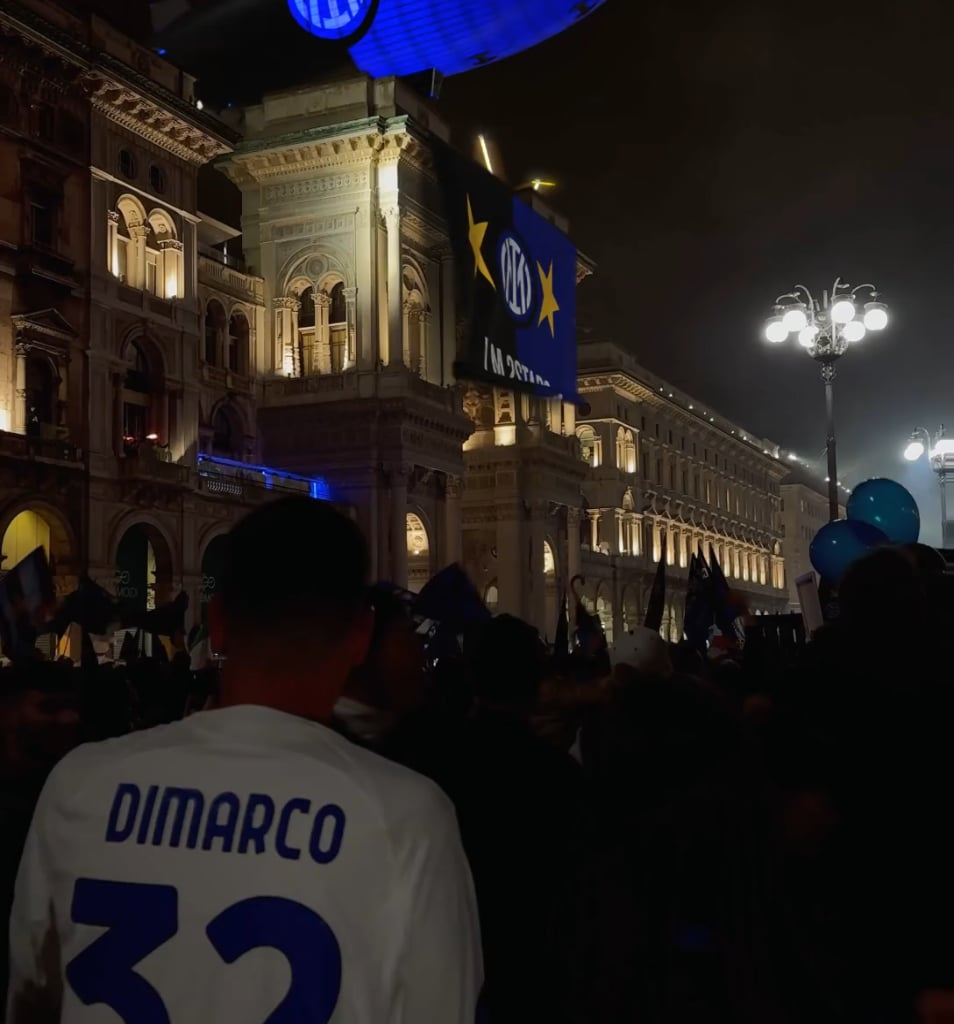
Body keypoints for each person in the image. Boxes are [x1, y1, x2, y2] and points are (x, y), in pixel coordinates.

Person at [6, 496, 483, 1024]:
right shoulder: (406, 820)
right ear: (360, 637)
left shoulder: (79, 785)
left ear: (219, 623)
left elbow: (30, 999)